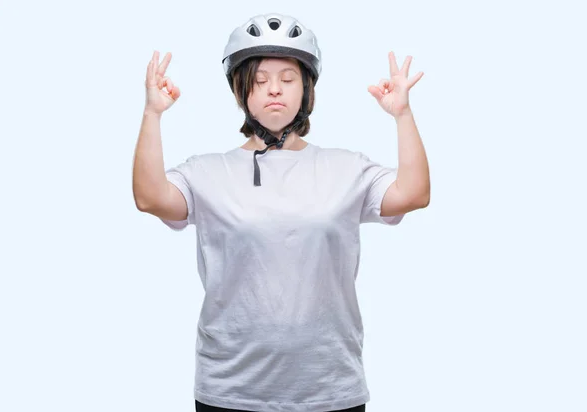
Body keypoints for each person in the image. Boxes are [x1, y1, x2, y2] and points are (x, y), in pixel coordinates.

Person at [132, 12, 430, 412]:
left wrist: (403, 116)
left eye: (288, 79)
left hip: (330, 389)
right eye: (259, 80)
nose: (275, 89)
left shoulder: (346, 167)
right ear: (242, 92)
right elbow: (150, 198)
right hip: (229, 389)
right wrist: (153, 115)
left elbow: (413, 194)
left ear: (306, 91)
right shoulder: (206, 171)